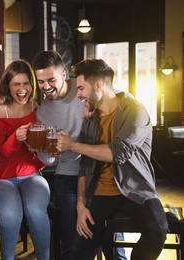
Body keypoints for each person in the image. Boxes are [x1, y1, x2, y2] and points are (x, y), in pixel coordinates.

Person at [57, 59, 168, 260]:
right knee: (76, 254)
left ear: (99, 85)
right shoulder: (91, 120)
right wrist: (81, 205)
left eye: (81, 88)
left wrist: (73, 145)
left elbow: (118, 153)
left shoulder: (135, 111)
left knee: (158, 230)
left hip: (136, 190)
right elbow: (84, 166)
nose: (78, 94)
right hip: (100, 195)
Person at [32, 50, 126, 260]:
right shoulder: (42, 112)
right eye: (40, 82)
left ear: (64, 74)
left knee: (111, 240)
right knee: (72, 243)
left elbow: (118, 96)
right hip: (68, 175)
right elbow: (48, 160)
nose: (46, 87)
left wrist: (98, 106)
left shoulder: (85, 87)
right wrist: (44, 149)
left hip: (100, 172)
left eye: (51, 80)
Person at [0, 60, 51, 260]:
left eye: (26, 84)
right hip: (1, 177)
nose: (22, 89)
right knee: (12, 215)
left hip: (31, 173)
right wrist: (15, 138)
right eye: (16, 84)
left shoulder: (35, 107)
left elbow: (39, 148)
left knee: (37, 211)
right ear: (8, 86)